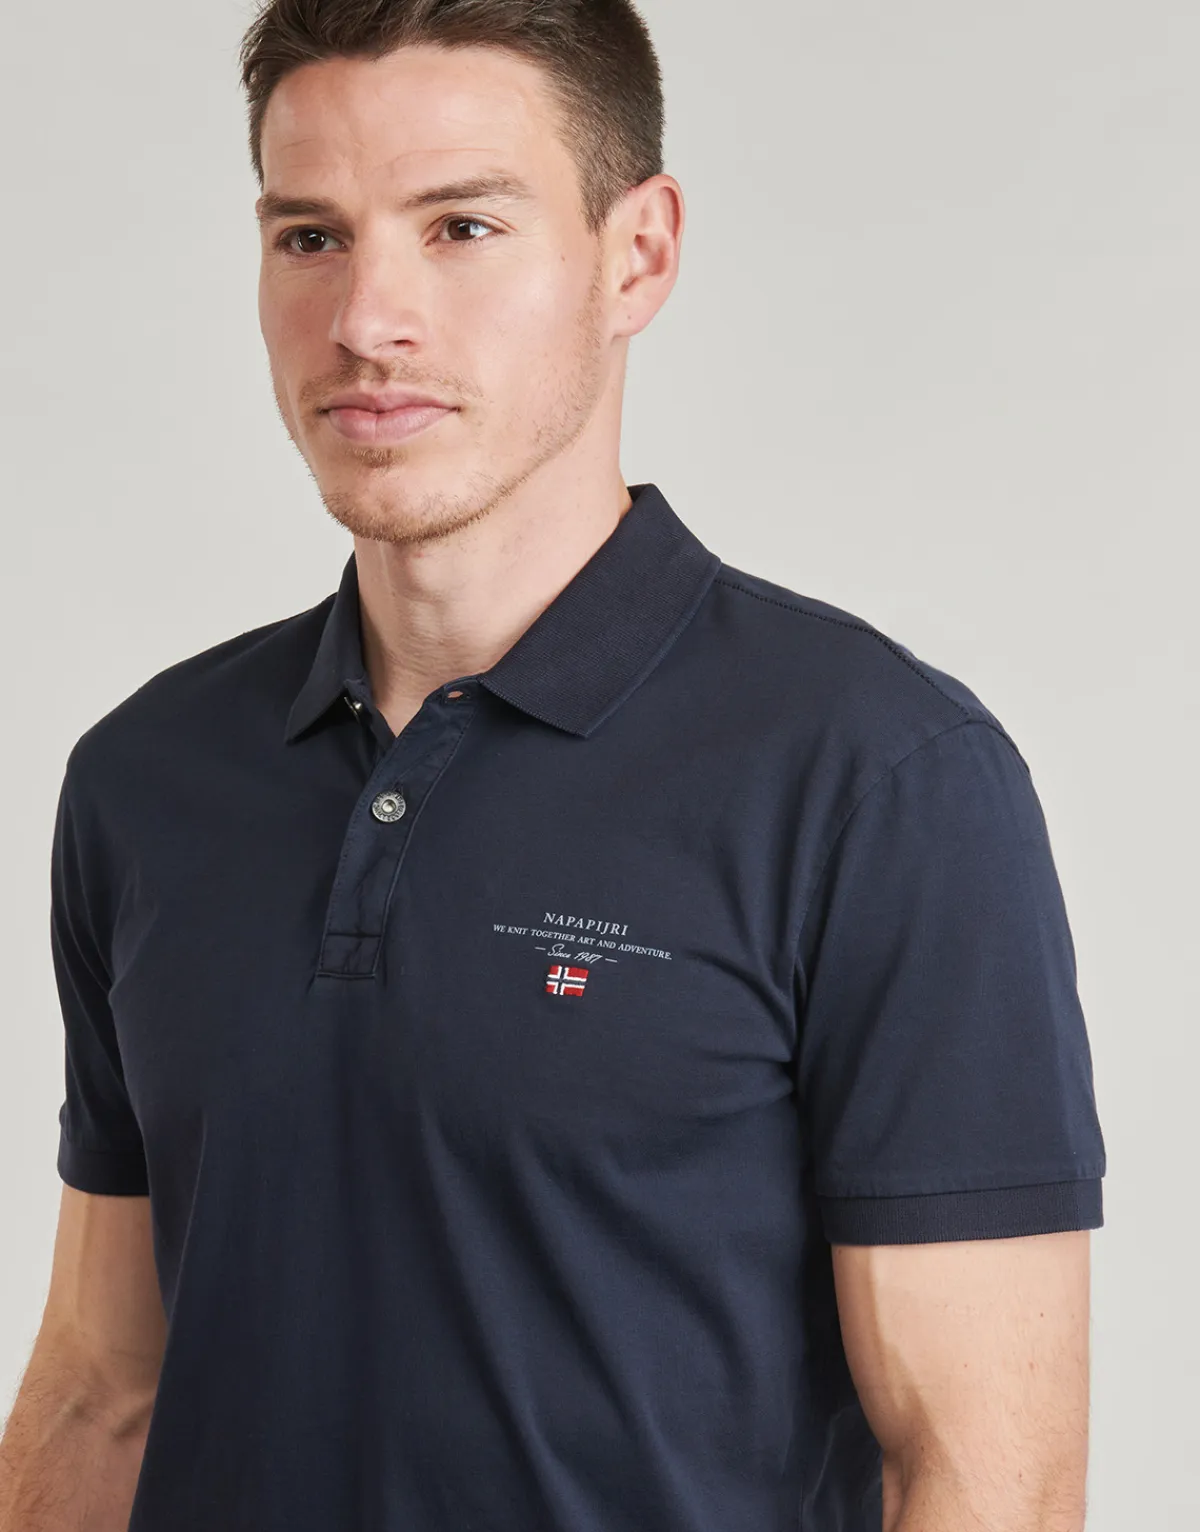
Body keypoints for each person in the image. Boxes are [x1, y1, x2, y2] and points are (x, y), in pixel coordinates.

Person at [0, 2, 1106, 1529]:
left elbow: (990, 1481)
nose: (368, 319)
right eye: (311, 237)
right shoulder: (148, 779)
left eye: (461, 227)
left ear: (636, 255)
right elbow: (99, 1393)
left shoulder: (879, 780)